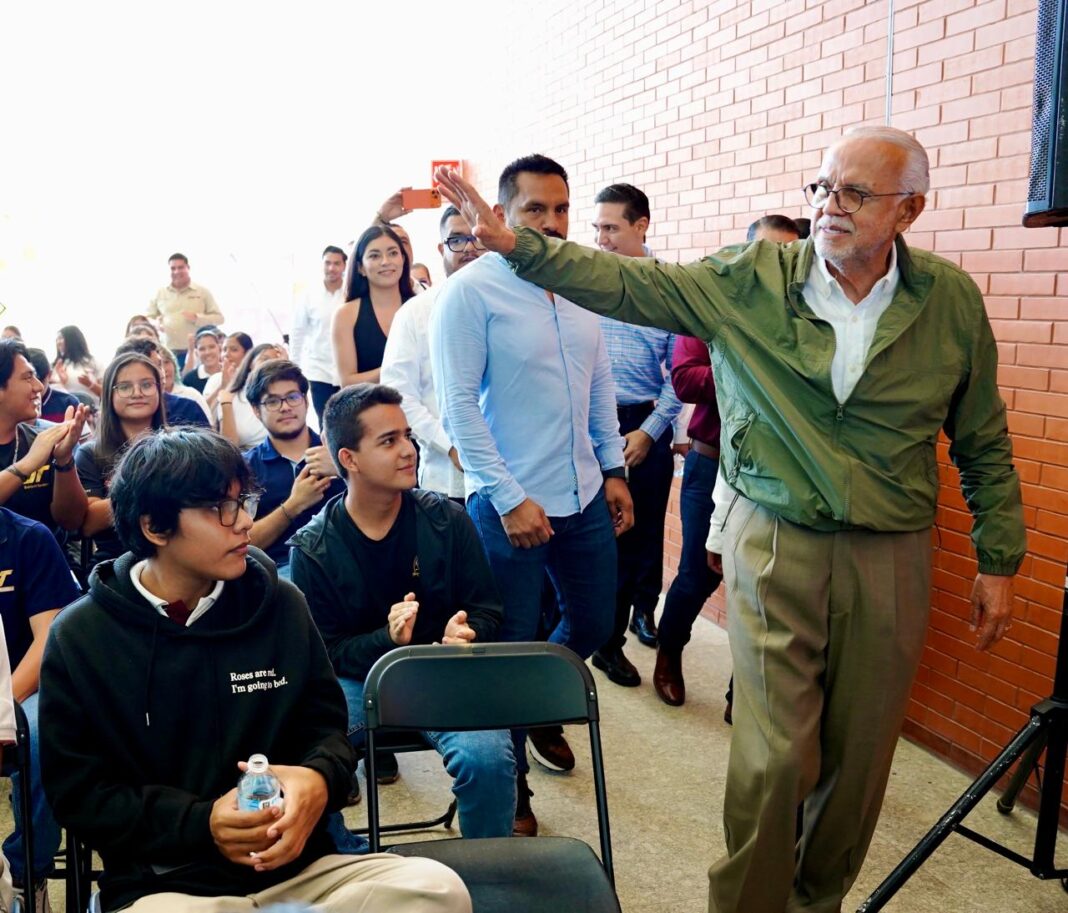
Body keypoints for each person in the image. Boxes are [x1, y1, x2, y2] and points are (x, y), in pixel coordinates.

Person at [435, 126, 1026, 913]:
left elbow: (982, 433)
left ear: (909, 209)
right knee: (775, 754)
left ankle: (817, 901)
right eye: (822, 188)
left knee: (860, 759)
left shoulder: (947, 301)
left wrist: (999, 555)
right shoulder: (753, 278)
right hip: (776, 534)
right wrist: (522, 247)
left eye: (854, 193)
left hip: (891, 548)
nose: (830, 207)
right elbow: (629, 285)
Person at [39, 427, 470, 913]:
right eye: (220, 509)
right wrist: (201, 822)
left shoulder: (279, 604)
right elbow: (79, 796)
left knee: (438, 889)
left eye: (242, 501)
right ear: (154, 528)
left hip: (306, 870)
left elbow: (325, 730)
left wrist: (318, 780)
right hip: (168, 883)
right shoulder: (83, 636)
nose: (245, 521)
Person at [430, 154, 632, 837]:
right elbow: (459, 407)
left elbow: (599, 385)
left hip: (582, 495)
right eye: (535, 210)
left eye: (561, 209)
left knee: (595, 623)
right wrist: (510, 496)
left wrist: (613, 468)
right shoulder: (471, 292)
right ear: (504, 216)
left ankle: (541, 700)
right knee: (509, 651)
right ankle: (514, 789)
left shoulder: (578, 287)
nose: (551, 223)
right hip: (509, 505)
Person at [289, 384, 515, 840]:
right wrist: (389, 644)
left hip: (442, 673)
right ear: (348, 459)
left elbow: (487, 608)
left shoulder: (448, 520)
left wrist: (467, 632)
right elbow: (326, 653)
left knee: (489, 759)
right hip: (356, 681)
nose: (409, 450)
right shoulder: (313, 548)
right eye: (388, 441)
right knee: (306, 756)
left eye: (407, 436)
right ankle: (339, 862)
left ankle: (489, 873)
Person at [655, 218, 800, 714]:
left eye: (789, 254)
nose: (778, 264)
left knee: (765, 583)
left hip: (777, 473)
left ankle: (747, 690)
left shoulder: (806, 317)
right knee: (699, 572)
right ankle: (669, 654)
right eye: (767, 252)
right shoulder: (712, 306)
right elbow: (685, 379)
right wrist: (755, 370)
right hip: (711, 462)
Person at [588, 183, 682, 688]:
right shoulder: (585, 284)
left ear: (641, 225)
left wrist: (648, 431)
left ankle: (630, 624)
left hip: (646, 425)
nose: (600, 238)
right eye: (597, 227)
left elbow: (679, 374)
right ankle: (604, 641)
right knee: (598, 539)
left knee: (640, 538)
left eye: (611, 227)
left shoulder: (665, 288)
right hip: (587, 426)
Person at [0, 506, 80, 908]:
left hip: (23, 690)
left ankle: (24, 871)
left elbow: (47, 638)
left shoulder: (28, 538)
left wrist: (2, 706)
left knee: (40, 736)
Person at [381, 207, 486, 501]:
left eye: (476, 237)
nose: (468, 247)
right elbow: (398, 394)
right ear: (441, 248)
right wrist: (450, 444)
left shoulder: (514, 309)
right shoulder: (414, 313)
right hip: (445, 478)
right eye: (456, 240)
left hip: (517, 477)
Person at [242, 360, 344, 581]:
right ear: (256, 411)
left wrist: (344, 469)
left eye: (292, 397)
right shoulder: (244, 468)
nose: (285, 407)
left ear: (306, 401)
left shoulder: (341, 453)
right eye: (272, 401)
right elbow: (241, 542)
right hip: (280, 572)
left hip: (345, 564)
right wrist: (293, 506)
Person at [76, 353, 168, 567]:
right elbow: (89, 522)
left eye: (146, 385)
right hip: (115, 564)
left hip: (177, 557)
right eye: (125, 387)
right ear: (109, 394)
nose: (137, 393)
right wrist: (159, 491)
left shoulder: (181, 444)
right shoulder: (91, 453)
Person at [0, 339, 87, 534]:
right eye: (27, 377)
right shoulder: (39, 447)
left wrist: (64, 460)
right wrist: (28, 464)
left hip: (44, 558)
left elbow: (71, 521)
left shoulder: (46, 440)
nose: (39, 387)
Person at [332, 227, 414, 389]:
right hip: (369, 409)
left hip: (421, 408)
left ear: (403, 260)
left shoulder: (419, 307)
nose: (385, 261)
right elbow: (347, 382)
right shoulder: (346, 315)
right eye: (374, 256)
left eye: (393, 253)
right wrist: (396, 368)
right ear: (360, 267)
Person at [290, 247, 347, 425]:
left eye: (337, 263)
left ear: (344, 265)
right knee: (326, 423)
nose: (332, 268)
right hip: (318, 372)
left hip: (348, 371)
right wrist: (295, 368)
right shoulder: (308, 295)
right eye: (327, 263)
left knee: (349, 423)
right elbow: (297, 333)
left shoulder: (351, 292)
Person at [146, 253, 224, 368]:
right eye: (173, 268)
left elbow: (219, 318)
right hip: (168, 352)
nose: (177, 271)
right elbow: (148, 317)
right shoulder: (160, 293)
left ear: (188, 268)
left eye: (181, 267)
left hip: (197, 352)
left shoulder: (202, 292)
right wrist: (156, 324)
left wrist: (198, 318)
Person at [113, 337, 210, 429]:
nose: (161, 373)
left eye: (160, 365)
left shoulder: (187, 409)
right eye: (151, 367)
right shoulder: (115, 413)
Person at [216, 343, 287, 449]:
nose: (270, 365)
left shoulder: (284, 395)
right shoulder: (230, 396)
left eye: (275, 361)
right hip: (245, 458)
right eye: (264, 359)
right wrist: (226, 405)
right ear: (250, 363)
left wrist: (286, 366)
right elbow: (229, 447)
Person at [25, 349, 80, 426]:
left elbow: (84, 437)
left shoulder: (69, 403)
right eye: (28, 380)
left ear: (50, 375)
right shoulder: (16, 404)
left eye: (41, 381)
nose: (37, 387)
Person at [51, 325, 102, 406]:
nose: (58, 342)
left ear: (72, 340)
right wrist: (61, 382)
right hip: (63, 412)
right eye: (57, 340)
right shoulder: (56, 366)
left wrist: (90, 384)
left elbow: (107, 393)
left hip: (91, 412)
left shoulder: (92, 363)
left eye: (61, 338)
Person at [204, 332, 255, 412]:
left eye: (234, 350)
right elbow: (204, 411)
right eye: (224, 350)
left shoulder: (254, 379)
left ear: (247, 353)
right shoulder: (214, 379)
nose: (226, 354)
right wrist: (223, 386)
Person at [159, 345, 212, 421]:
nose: (164, 369)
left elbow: (209, 429)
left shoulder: (191, 395)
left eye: (166, 362)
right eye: (158, 364)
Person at [181, 327, 224, 395]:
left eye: (212, 347)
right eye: (202, 349)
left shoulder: (230, 373)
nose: (207, 352)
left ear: (219, 348)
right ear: (196, 353)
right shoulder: (190, 379)